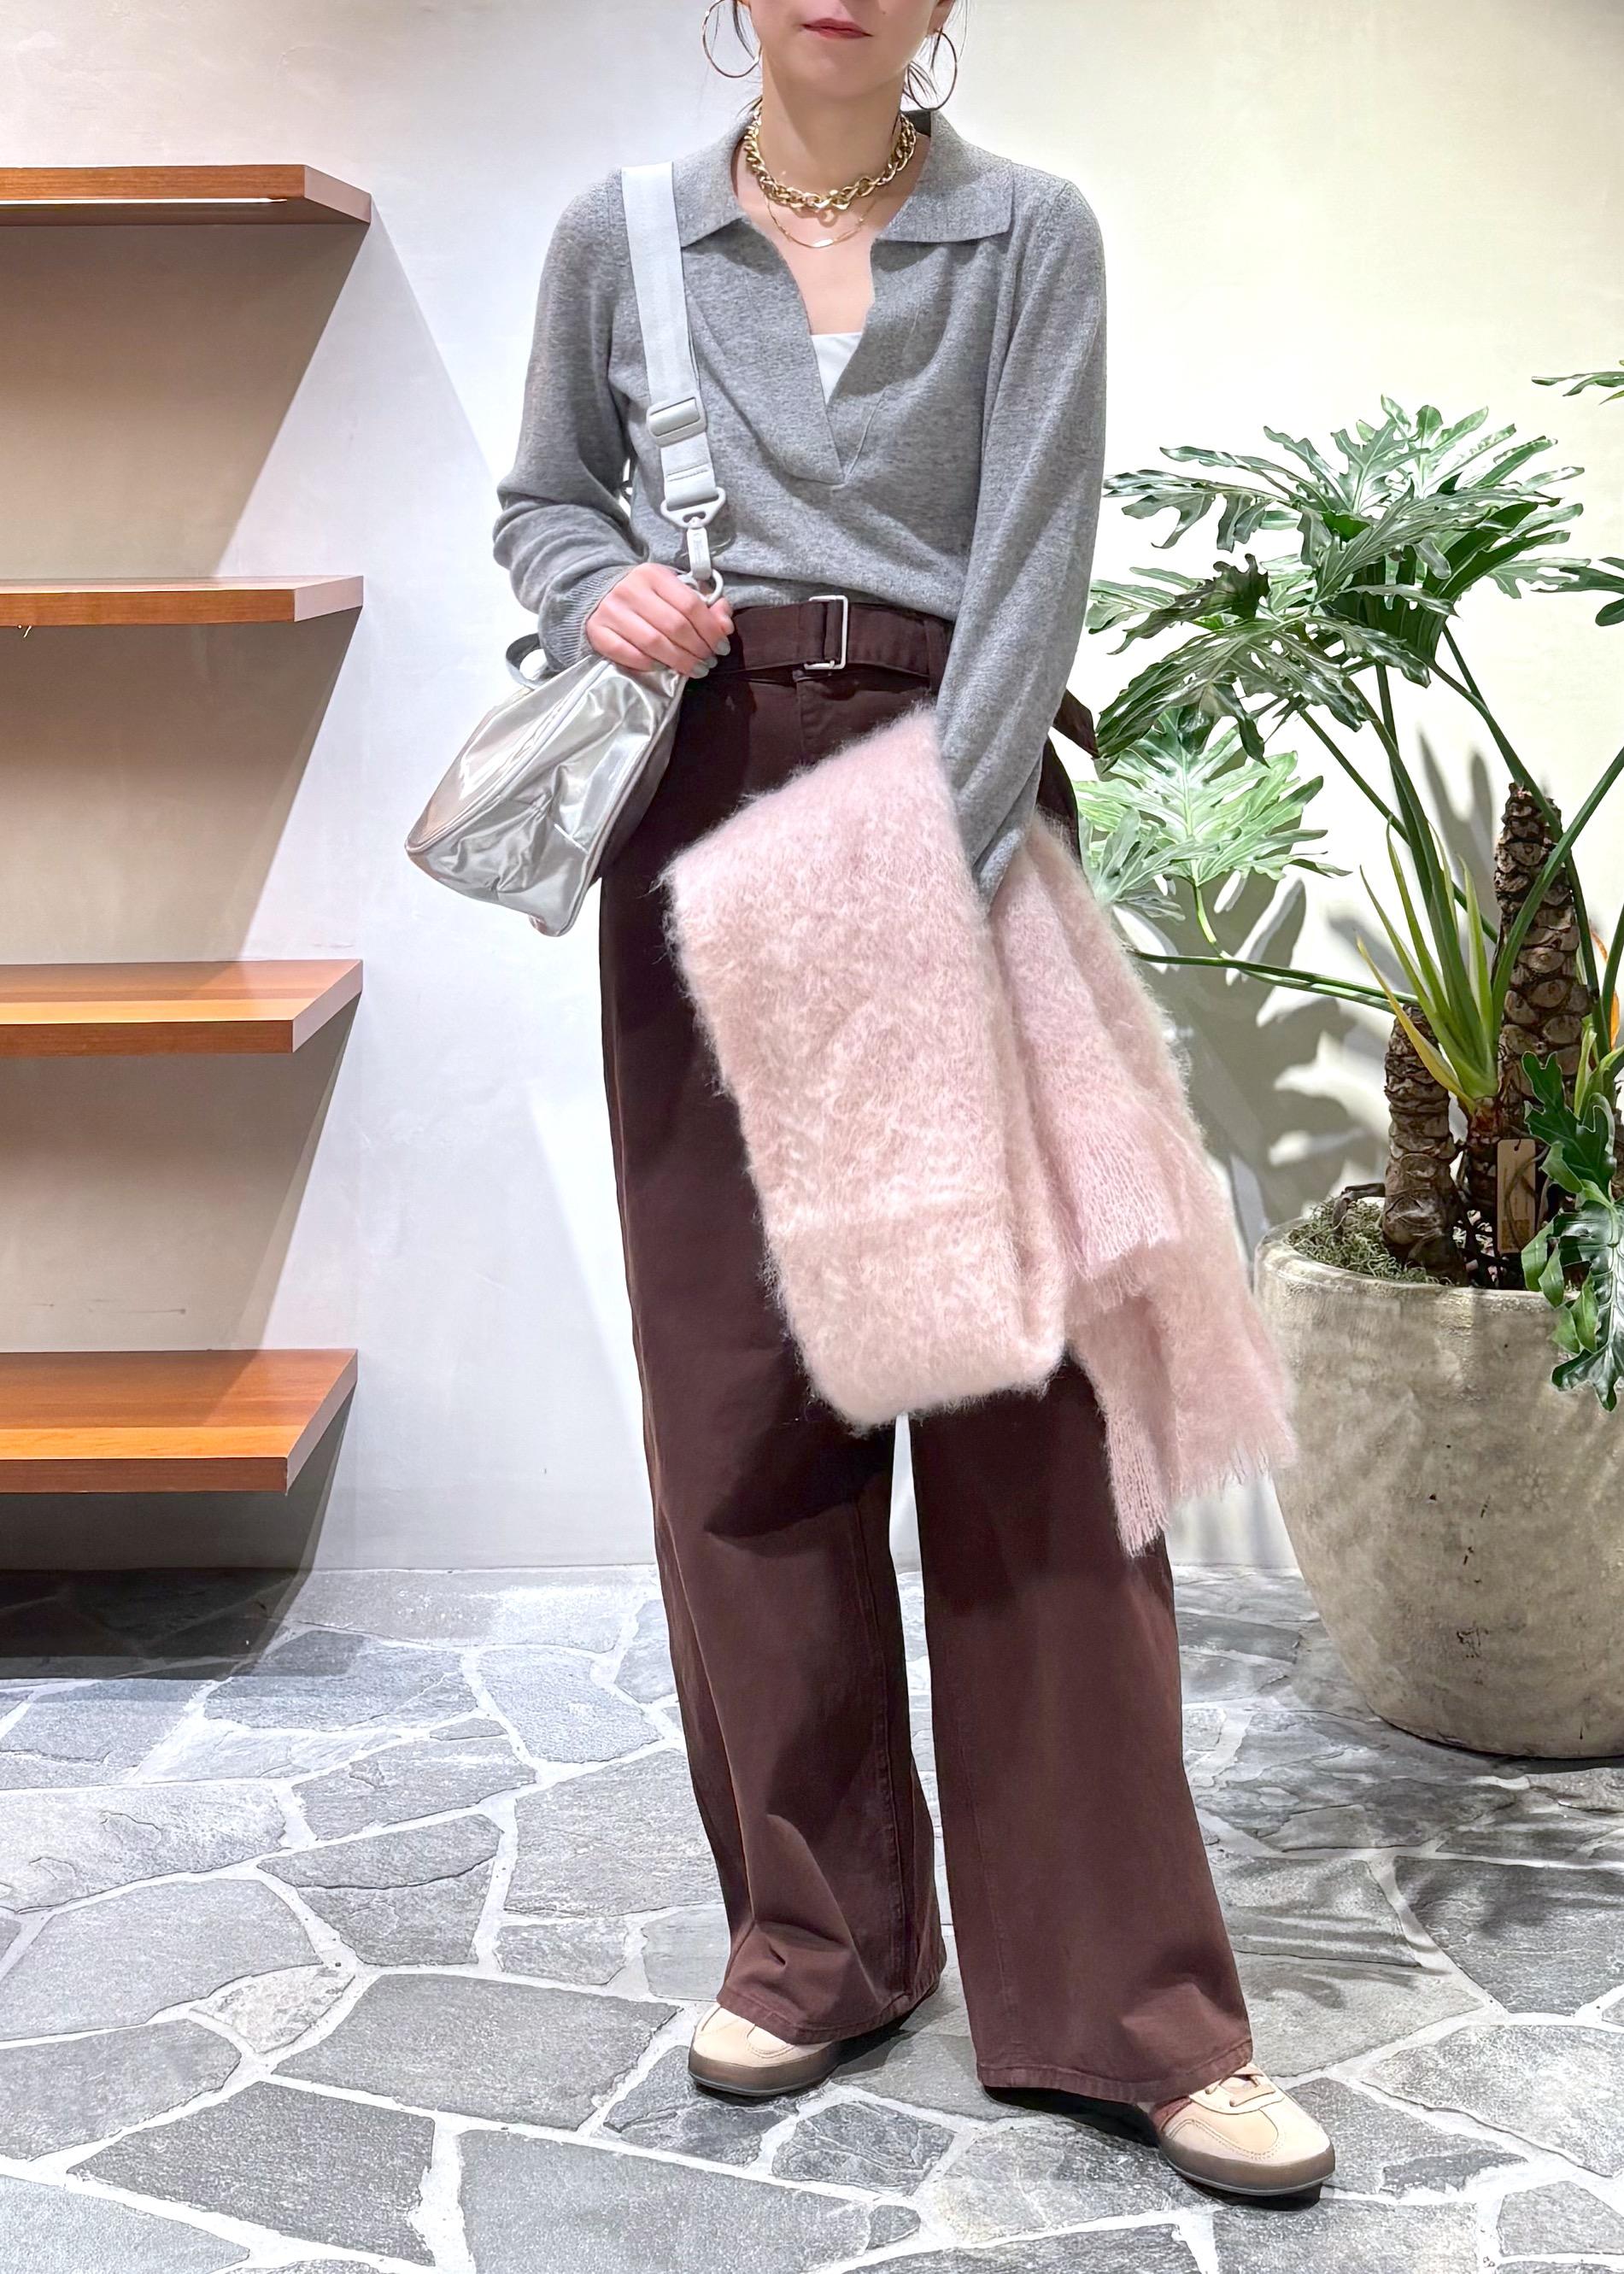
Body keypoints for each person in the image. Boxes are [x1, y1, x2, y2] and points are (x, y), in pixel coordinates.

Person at [491, 0, 1334, 2205]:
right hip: (699, 827)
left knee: (1035, 1416)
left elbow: (1034, 575)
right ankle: (817, 1942)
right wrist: (602, 589)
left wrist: (914, 899)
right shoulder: (622, 240)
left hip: (948, 816)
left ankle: (1134, 2007)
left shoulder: (1029, 235)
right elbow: (544, 503)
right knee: (742, 1404)